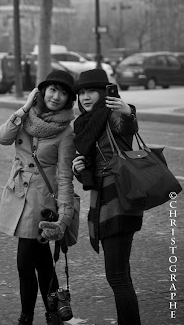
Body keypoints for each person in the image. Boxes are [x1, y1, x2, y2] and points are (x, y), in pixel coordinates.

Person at [0, 70, 76, 325]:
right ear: (41, 92)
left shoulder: (65, 133)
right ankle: (53, 314)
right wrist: (23, 108)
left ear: (68, 100)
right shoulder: (26, 118)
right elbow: (2, 138)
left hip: (41, 205)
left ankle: (26, 317)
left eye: (63, 93)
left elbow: (64, 176)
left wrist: (64, 216)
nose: (56, 96)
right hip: (18, 195)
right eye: (52, 89)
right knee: (42, 263)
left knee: (24, 263)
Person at [72, 69, 142, 325]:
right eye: (81, 92)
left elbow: (127, 128)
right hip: (104, 203)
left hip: (118, 204)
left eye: (90, 91)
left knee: (117, 277)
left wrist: (128, 111)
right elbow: (91, 173)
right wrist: (79, 170)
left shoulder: (113, 115)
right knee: (121, 275)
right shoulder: (84, 124)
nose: (85, 97)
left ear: (103, 92)